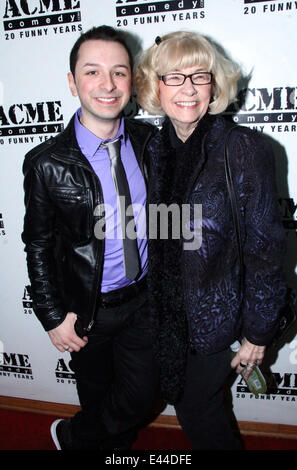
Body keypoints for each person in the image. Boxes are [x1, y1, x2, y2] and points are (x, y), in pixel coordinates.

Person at [134, 31, 287, 449]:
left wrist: (258, 335)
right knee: (189, 405)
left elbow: (266, 253)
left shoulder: (245, 150)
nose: (187, 89)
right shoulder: (152, 149)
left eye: (199, 77)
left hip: (219, 318)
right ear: (153, 86)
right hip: (167, 314)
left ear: (215, 85)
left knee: (197, 409)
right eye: (173, 77)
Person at [22, 25, 159, 450]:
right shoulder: (46, 163)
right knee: (98, 400)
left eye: (119, 72)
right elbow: (39, 243)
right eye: (92, 72)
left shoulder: (150, 141)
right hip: (87, 311)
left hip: (143, 301)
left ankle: (71, 436)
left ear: (131, 82)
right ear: (72, 82)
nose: (107, 84)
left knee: (143, 398)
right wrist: (51, 313)